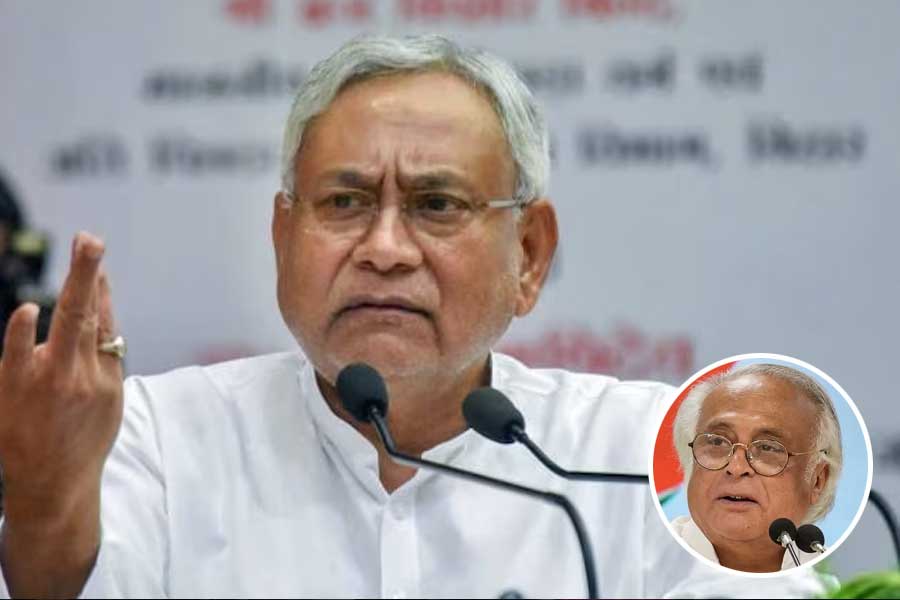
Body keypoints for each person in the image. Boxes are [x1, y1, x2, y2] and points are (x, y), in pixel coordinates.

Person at [0, 36, 826, 598]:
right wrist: (44, 496)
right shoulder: (158, 439)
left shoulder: (650, 458)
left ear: (529, 254)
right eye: (346, 202)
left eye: (436, 204)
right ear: (284, 235)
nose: (385, 247)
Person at [671, 363, 843, 572]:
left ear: (817, 480)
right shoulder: (647, 561)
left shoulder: (833, 586)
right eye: (717, 443)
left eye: (767, 448)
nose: (736, 467)